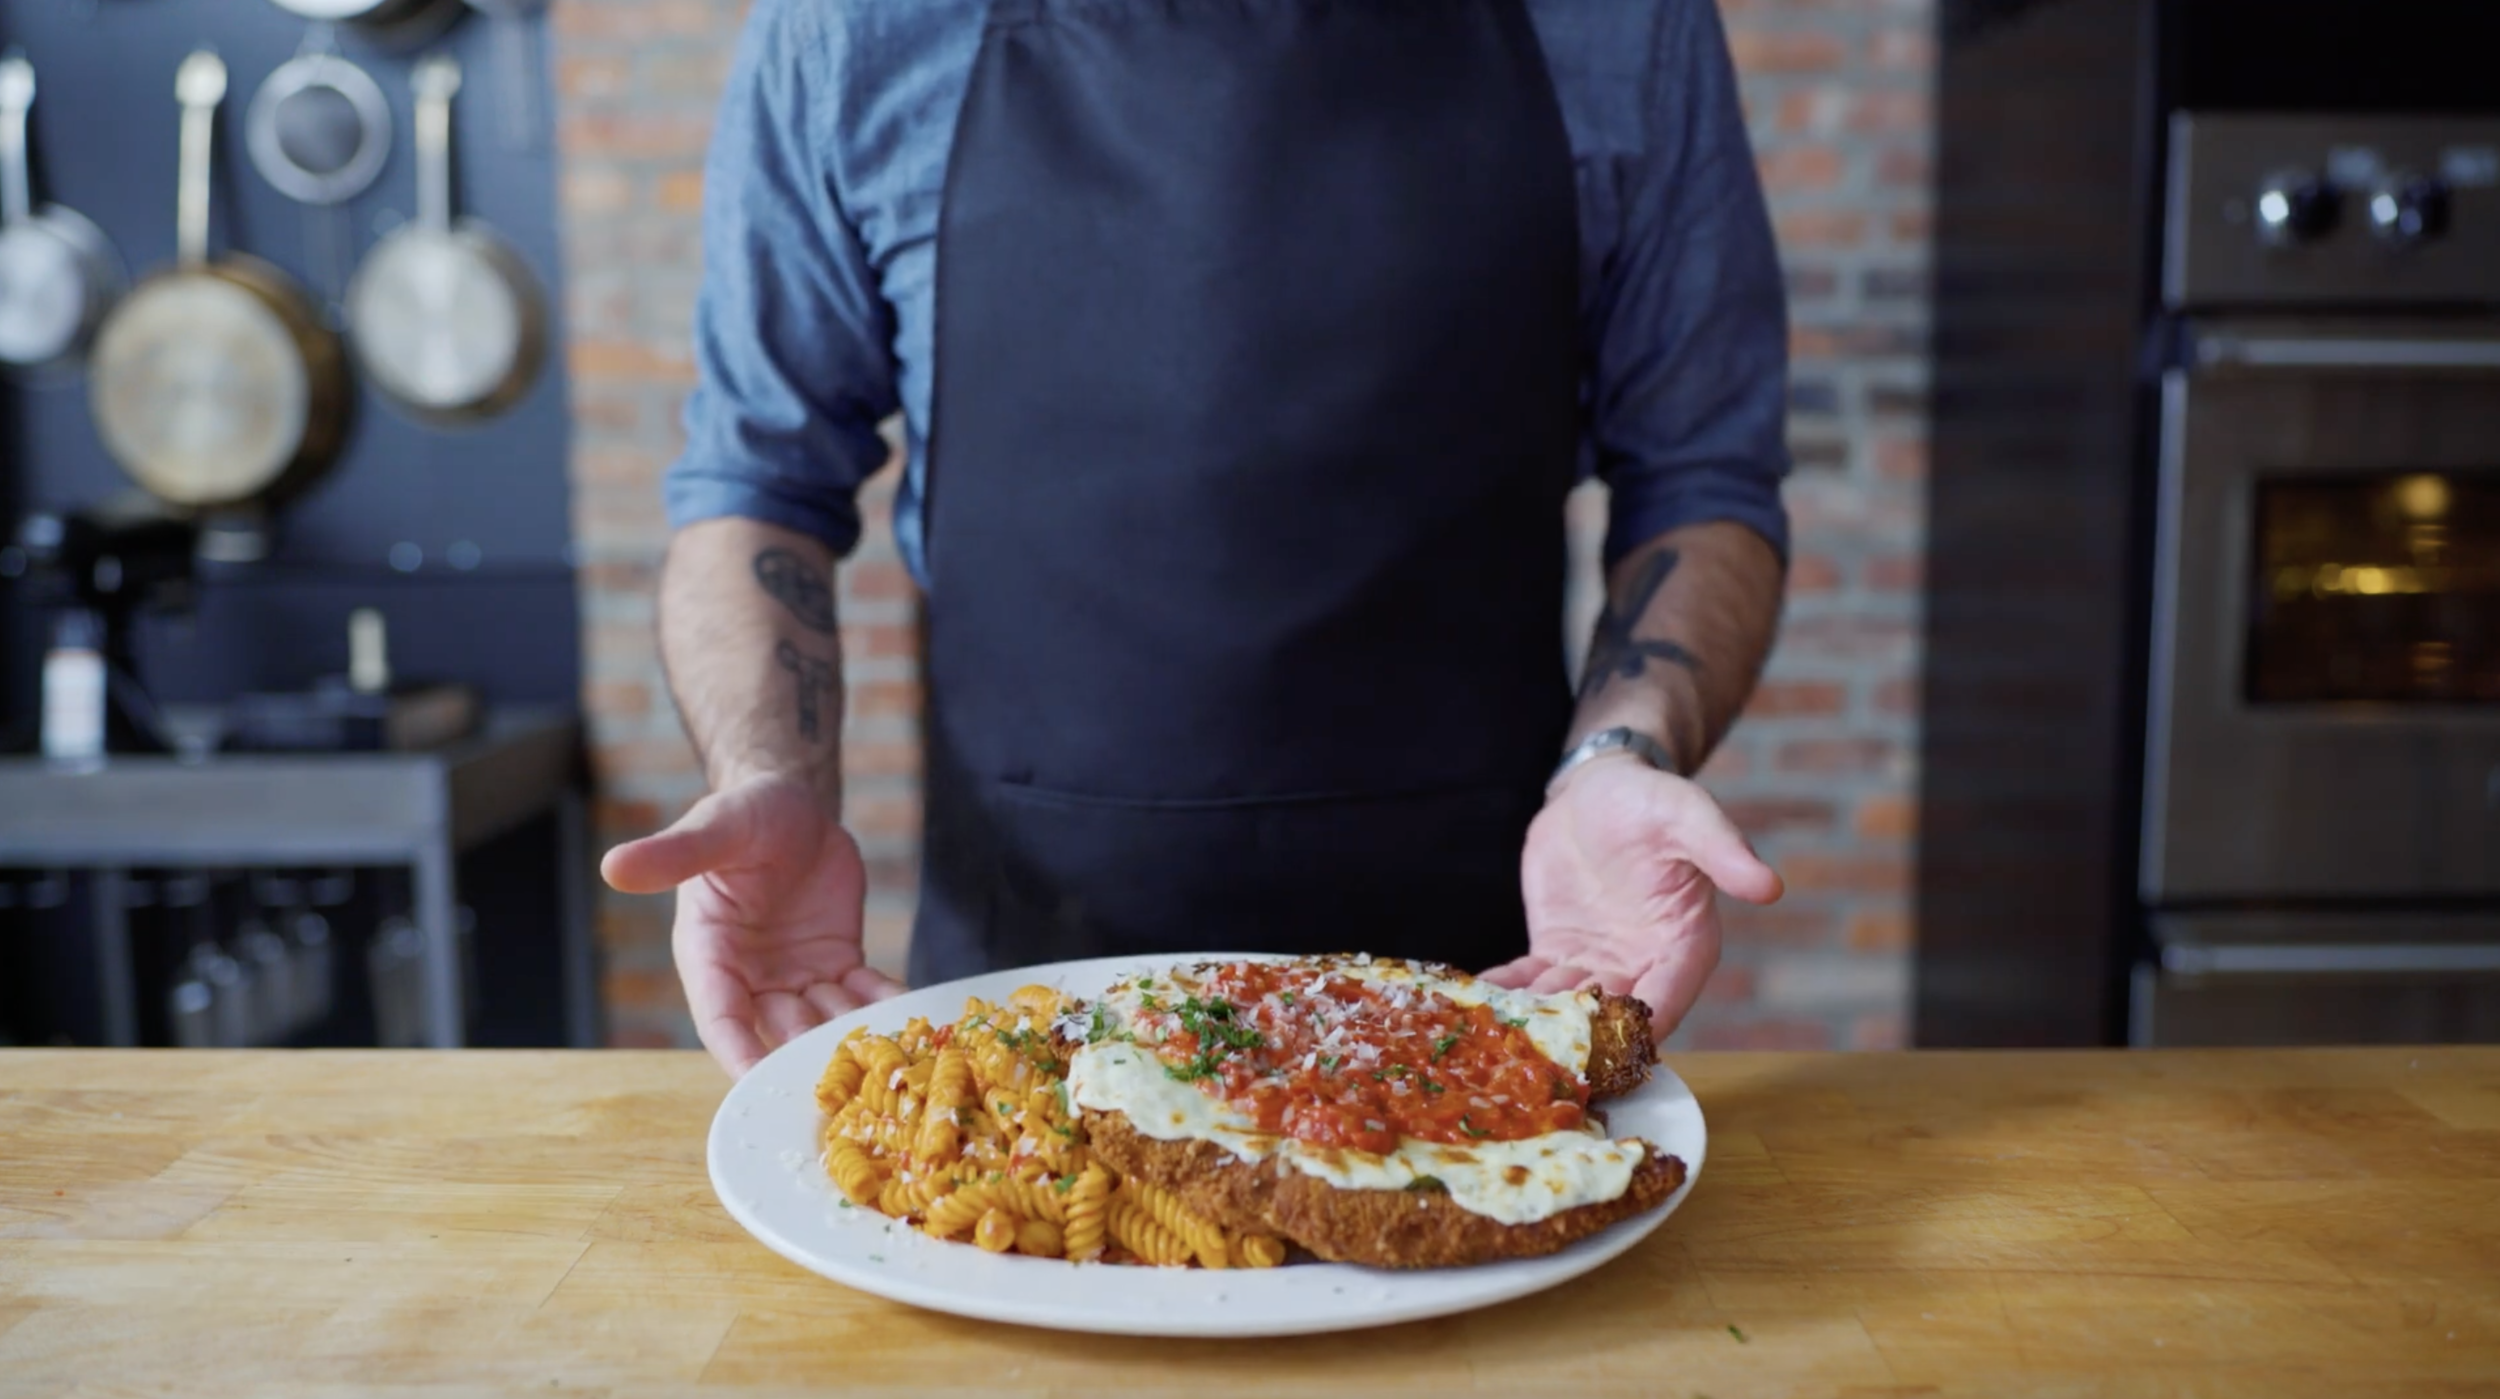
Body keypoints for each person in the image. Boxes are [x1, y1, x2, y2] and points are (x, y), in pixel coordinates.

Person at [603, 0, 1793, 1077]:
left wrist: (1622, 758)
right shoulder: (854, 30)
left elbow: (1701, 477)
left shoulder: (1624, 27)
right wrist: (771, 776)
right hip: (1025, 996)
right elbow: (757, 482)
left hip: (1488, 989)